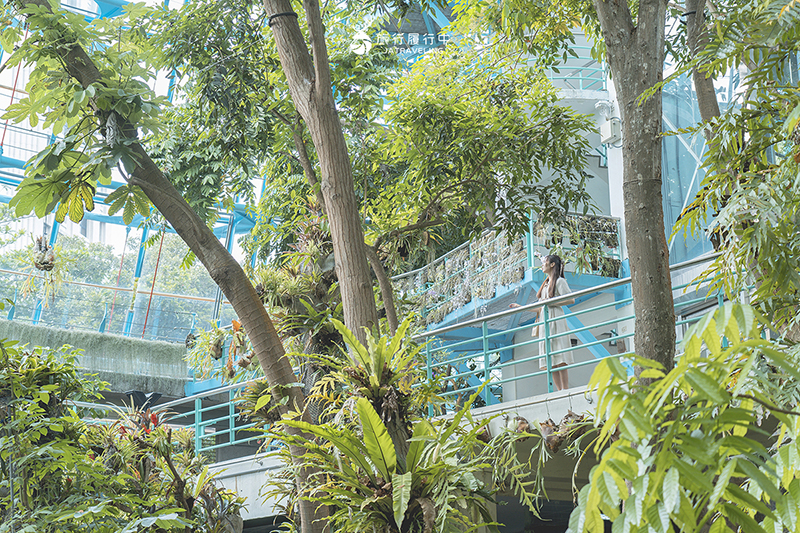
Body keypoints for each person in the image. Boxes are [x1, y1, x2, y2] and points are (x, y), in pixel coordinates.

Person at [510, 254, 575, 391]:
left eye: (544, 262)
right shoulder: (545, 285)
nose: (542, 265)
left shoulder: (559, 282)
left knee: (560, 356)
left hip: (556, 319)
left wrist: (552, 302)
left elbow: (570, 300)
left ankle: (566, 389)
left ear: (552, 264)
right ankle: (559, 390)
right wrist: (521, 308)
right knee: (550, 358)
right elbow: (540, 307)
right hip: (545, 321)